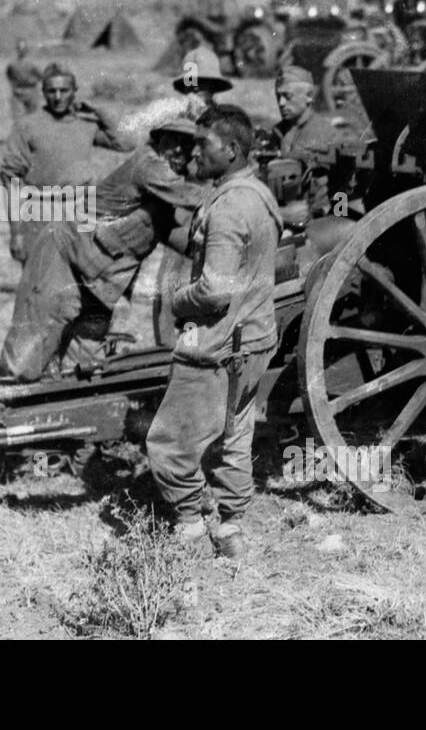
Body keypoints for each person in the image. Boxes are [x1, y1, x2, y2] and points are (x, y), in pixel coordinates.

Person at [146, 105, 281, 560]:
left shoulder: (228, 209)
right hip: (255, 340)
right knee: (234, 438)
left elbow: (215, 290)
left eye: (202, 144)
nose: (193, 151)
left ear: (231, 149)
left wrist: (176, 301)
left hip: (215, 344)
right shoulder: (259, 195)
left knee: (169, 443)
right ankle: (231, 529)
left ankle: (187, 528)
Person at [0, 116, 206, 381]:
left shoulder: (162, 198)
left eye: (186, 144)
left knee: (85, 354)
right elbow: (193, 197)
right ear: (158, 140)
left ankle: (62, 397)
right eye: (172, 140)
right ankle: (5, 396)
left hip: (100, 274)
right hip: (66, 252)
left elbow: (182, 239)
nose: (178, 149)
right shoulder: (149, 164)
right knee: (42, 329)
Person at [0, 63, 131, 267]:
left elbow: (125, 142)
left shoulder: (85, 124)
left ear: (74, 92)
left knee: (81, 280)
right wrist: (16, 232)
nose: (58, 97)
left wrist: (98, 110)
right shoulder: (27, 126)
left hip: (81, 212)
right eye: (52, 91)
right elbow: (11, 180)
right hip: (40, 214)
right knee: (39, 282)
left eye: (64, 90)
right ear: (43, 92)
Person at [152, 49, 235, 347]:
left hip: (220, 210)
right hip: (184, 212)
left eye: (200, 87)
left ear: (213, 89)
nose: (195, 94)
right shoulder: (175, 124)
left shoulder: (228, 123)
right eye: (190, 87)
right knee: (168, 282)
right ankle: (164, 350)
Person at [272, 65, 348, 215]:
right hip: (282, 212)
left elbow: (345, 183)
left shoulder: (328, 134)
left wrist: (339, 216)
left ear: (309, 96)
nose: (281, 103)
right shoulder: (277, 131)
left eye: (287, 96)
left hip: (316, 217)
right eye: (278, 96)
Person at [5, 40, 44, 121]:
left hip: (18, 91)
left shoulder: (12, 64)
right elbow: (41, 76)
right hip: (29, 91)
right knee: (31, 117)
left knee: (19, 118)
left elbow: (9, 76)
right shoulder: (32, 64)